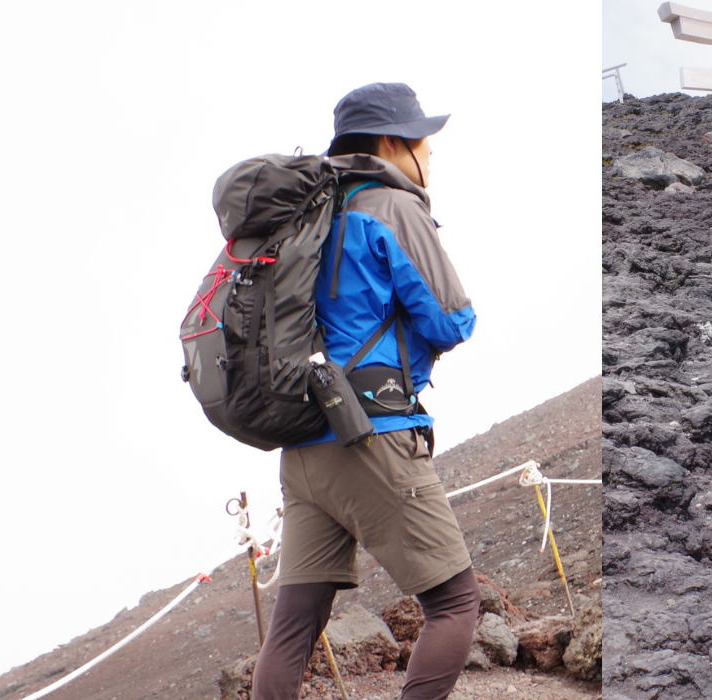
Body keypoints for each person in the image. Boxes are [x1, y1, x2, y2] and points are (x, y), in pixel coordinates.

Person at [251, 83, 480, 700]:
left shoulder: (308, 216)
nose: (430, 153)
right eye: (422, 140)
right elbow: (451, 320)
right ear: (389, 142)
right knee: (456, 603)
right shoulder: (390, 206)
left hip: (303, 448)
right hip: (369, 434)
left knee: (293, 628)